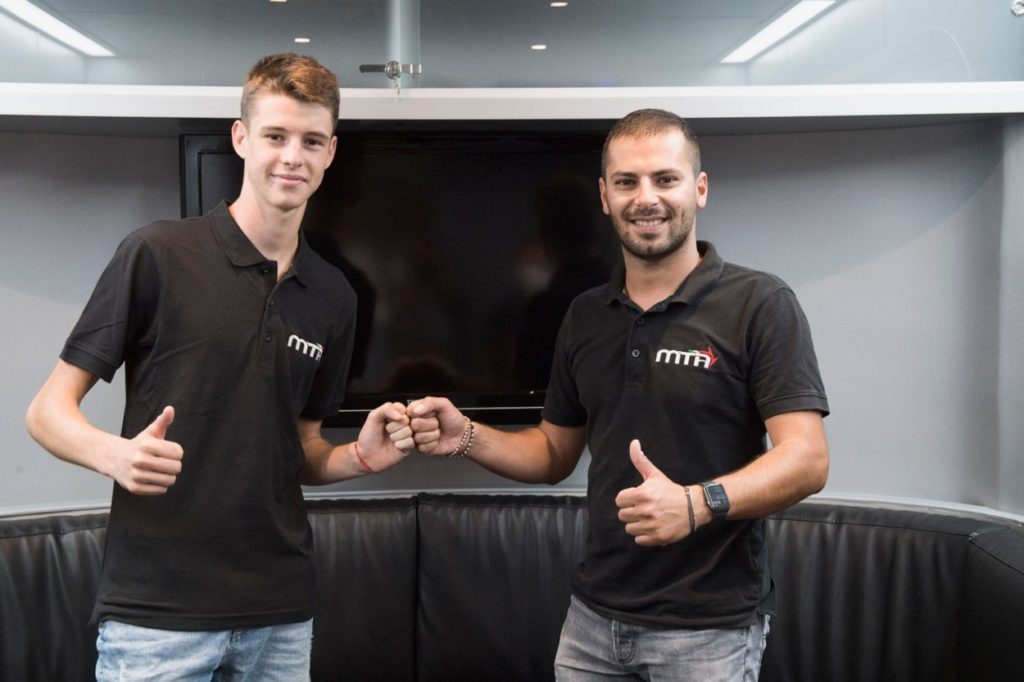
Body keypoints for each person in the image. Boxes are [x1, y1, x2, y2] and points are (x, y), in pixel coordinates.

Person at [24, 53, 413, 680]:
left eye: (311, 141)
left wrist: (359, 458)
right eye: (275, 136)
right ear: (241, 138)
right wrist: (115, 455)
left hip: (281, 615)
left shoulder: (335, 296)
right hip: (156, 617)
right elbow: (46, 412)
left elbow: (302, 450)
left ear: (331, 153)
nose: (293, 157)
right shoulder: (157, 254)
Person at [407, 108, 830, 681]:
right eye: (627, 182)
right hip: (592, 623)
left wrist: (697, 503)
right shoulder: (585, 314)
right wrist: (468, 437)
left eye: (665, 179)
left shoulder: (760, 303)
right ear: (605, 196)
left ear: (699, 189)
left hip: (708, 632)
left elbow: (807, 458)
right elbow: (554, 453)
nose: (645, 198)